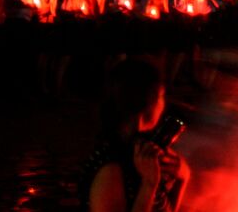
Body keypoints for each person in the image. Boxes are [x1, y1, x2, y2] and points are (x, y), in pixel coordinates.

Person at [81, 58, 189, 212]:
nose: (163, 104)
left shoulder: (141, 152)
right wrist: (149, 184)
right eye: (161, 96)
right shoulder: (110, 170)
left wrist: (182, 178)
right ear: (148, 101)